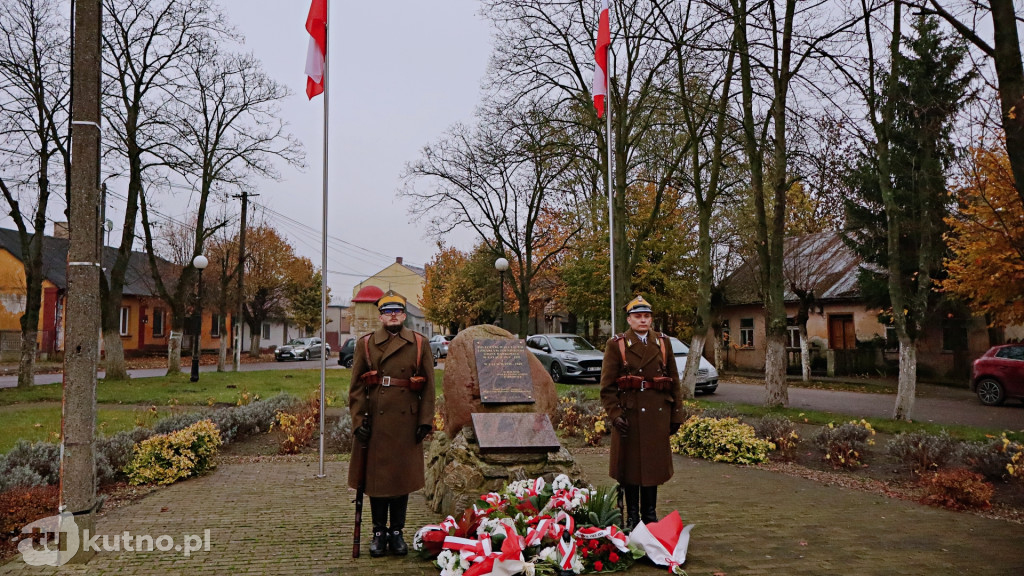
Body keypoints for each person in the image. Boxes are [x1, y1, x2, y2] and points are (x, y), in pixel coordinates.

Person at [348, 292, 435, 557]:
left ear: (404, 315)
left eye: (398, 311)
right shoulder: (366, 344)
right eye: (388, 312)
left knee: (400, 480)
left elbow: (429, 387)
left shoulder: (419, 344)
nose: (393, 315)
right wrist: (358, 421)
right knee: (376, 480)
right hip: (375, 423)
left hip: (406, 423)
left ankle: (397, 532)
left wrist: (424, 421)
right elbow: (357, 388)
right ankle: (378, 532)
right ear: (381, 316)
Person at [599, 295, 685, 530]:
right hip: (630, 416)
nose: (643, 320)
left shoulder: (663, 343)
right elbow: (607, 387)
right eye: (638, 316)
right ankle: (632, 517)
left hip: (657, 416)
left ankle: (650, 516)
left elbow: (674, 381)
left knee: (652, 469)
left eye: (646, 316)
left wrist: (677, 414)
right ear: (629, 319)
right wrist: (615, 415)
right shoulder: (616, 345)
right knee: (631, 470)